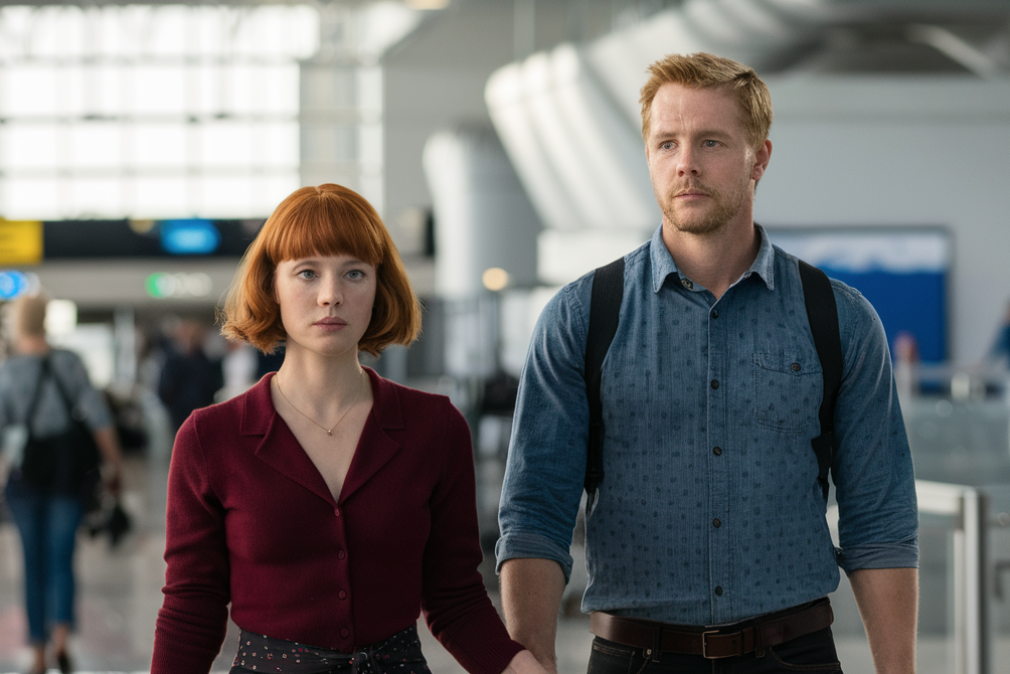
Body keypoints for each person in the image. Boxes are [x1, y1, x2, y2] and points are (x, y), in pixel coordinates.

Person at [496, 53, 918, 674]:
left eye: (711, 142)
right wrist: (532, 664)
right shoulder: (582, 317)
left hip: (793, 656)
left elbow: (879, 519)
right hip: (635, 658)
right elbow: (534, 514)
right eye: (666, 143)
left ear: (760, 159)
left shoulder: (839, 319)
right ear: (648, 157)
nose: (685, 163)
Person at [150, 184, 548, 674]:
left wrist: (517, 667)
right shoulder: (212, 439)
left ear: (379, 287)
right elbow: (192, 608)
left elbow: (454, 597)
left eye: (354, 273)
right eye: (307, 272)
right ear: (271, 285)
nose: (330, 296)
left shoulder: (435, 428)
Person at [0, 293, 124, 674]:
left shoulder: (7, 371)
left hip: (24, 479)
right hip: (68, 476)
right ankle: (60, 641)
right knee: (62, 561)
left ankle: (37, 653)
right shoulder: (70, 363)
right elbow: (98, 416)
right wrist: (115, 466)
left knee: (31, 562)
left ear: (17, 323)